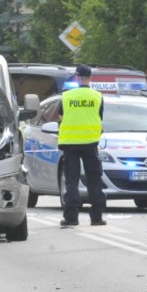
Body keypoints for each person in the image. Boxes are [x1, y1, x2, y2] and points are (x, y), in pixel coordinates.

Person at [57, 64, 107, 227]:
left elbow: (60, 115)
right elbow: (99, 116)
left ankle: (71, 217)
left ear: (77, 78)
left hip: (70, 144)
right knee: (94, 179)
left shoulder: (67, 96)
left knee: (71, 180)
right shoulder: (97, 96)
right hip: (90, 143)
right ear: (90, 78)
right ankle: (96, 217)